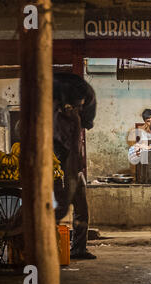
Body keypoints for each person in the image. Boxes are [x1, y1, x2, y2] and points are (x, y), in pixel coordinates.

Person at [53, 73, 97, 260]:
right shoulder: (58, 120)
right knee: (60, 209)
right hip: (60, 169)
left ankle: (78, 248)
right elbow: (66, 147)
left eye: (81, 105)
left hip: (75, 170)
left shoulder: (76, 117)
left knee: (82, 210)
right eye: (76, 105)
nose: (79, 108)